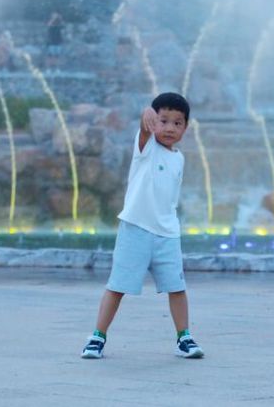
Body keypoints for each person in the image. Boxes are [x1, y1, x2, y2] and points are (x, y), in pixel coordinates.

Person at [81, 92, 204, 359]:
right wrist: (146, 114)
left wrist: (171, 225)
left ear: (186, 126)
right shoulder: (145, 147)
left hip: (167, 233)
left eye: (177, 122)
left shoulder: (179, 157)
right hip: (135, 228)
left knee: (177, 287)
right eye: (163, 121)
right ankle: (97, 337)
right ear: (153, 123)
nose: (170, 128)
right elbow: (143, 126)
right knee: (117, 286)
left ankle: (184, 338)